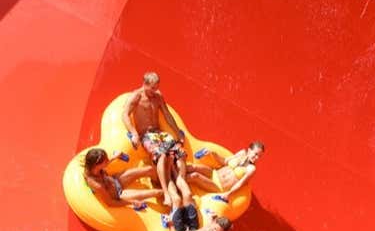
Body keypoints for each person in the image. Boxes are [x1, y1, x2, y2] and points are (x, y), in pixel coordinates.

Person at [122, 71, 190, 206]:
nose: (155, 91)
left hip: (159, 133)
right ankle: (166, 192)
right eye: (152, 88)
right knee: (161, 155)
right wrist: (134, 133)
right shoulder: (136, 97)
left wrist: (177, 132)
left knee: (181, 153)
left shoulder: (158, 97)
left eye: (156, 87)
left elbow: (167, 114)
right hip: (146, 135)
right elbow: (125, 115)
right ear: (145, 84)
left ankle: (181, 182)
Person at [83, 148, 163, 208]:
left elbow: (103, 163)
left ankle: (162, 182)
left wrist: (115, 157)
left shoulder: (93, 167)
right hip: (119, 195)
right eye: (105, 161)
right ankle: (170, 193)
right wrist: (131, 202)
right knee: (156, 192)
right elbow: (110, 203)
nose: (107, 161)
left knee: (150, 169)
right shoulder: (96, 184)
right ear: (97, 165)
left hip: (115, 180)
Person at [186, 141, 264, 199]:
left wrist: (228, 194)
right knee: (193, 167)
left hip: (218, 186)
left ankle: (176, 180)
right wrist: (213, 153)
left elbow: (240, 184)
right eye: (256, 154)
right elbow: (225, 161)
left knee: (195, 176)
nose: (256, 158)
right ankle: (175, 170)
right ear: (249, 150)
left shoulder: (251, 168)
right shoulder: (242, 153)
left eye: (259, 156)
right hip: (214, 173)